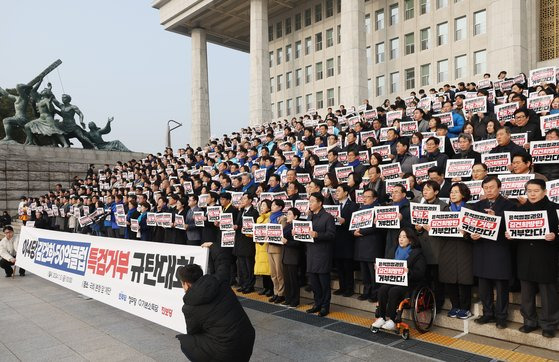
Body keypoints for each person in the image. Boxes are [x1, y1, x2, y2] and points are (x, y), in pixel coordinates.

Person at [505, 179, 559, 338]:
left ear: (545, 192)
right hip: (525, 257)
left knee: (548, 293)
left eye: (536, 190)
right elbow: (514, 233)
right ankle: (529, 321)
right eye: (529, 191)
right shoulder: (520, 210)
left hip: (546, 257)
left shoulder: (554, 209)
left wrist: (555, 237)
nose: (532, 194)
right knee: (527, 292)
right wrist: (511, 236)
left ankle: (549, 324)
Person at [176, 264, 255, 362]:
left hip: (227, 350)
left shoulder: (190, 307)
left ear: (186, 284)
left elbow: (193, 331)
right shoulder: (221, 283)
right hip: (248, 337)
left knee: (187, 341)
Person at [471, 176, 516, 329]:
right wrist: (472, 234)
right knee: (484, 287)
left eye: (492, 187)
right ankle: (487, 313)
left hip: (500, 251)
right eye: (486, 188)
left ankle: (502, 317)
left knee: (501, 287)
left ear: (499, 188)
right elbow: (471, 226)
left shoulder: (510, 205)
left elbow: (513, 229)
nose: (489, 190)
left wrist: (496, 219)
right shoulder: (477, 205)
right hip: (482, 250)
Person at [372, 228, 426, 331]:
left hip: (409, 283)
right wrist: (379, 268)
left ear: (410, 240)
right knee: (383, 289)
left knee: (393, 291)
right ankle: (381, 317)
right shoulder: (393, 250)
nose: (401, 239)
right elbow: (386, 264)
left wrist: (409, 271)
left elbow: (420, 272)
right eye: (400, 237)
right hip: (393, 281)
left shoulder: (416, 253)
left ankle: (392, 320)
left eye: (404, 237)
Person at [439, 183, 474, 319]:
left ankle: (465, 308)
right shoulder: (444, 210)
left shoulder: (471, 209)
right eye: (451, 192)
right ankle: (455, 306)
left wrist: (467, 233)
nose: (452, 194)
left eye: (456, 192)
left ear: (464, 194)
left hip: (466, 248)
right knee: (449, 277)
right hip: (447, 248)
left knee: (465, 279)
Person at [305, 192, 336, 317]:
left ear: (320, 203)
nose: (310, 204)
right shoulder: (310, 216)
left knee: (324, 282)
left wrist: (318, 235)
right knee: (314, 282)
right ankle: (317, 303)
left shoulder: (328, 217)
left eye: (312, 201)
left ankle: (325, 306)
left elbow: (331, 235)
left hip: (323, 253)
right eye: (309, 201)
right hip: (311, 253)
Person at [333, 185, 360, 297]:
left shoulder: (353, 205)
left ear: (346, 192)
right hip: (337, 240)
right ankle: (342, 287)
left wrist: (345, 221)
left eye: (339, 191)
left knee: (347, 266)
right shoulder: (335, 206)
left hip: (347, 240)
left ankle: (349, 288)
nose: (336, 193)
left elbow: (356, 221)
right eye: (336, 191)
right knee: (339, 265)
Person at [234, 193, 259, 294]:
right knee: (242, 265)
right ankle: (243, 284)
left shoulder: (254, 212)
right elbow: (238, 223)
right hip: (240, 240)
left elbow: (251, 226)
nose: (242, 200)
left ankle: (250, 285)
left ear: (250, 200)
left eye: (244, 198)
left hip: (248, 241)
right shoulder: (241, 211)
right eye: (242, 198)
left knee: (249, 264)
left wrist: (238, 227)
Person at [280, 207, 302, 307]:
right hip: (285, 255)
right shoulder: (287, 226)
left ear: (296, 216)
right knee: (287, 280)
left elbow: (299, 243)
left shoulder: (298, 226)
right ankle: (288, 299)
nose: (287, 216)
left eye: (289, 214)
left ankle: (295, 300)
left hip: (293, 256)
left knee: (293, 280)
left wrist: (287, 241)